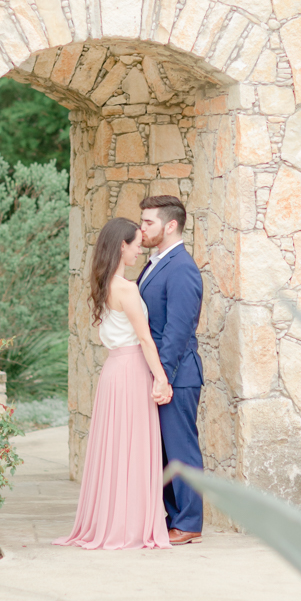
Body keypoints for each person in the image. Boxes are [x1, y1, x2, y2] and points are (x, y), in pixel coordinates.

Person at [54, 218, 171, 550]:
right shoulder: (127, 288)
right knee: (132, 447)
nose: (139, 249)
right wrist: (161, 379)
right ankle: (129, 525)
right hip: (132, 369)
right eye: (135, 244)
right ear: (122, 245)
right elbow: (146, 340)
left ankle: (112, 521)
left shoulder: (105, 284)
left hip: (113, 371)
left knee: (116, 448)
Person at [138, 195, 205, 545]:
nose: (142, 228)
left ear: (170, 225)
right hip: (162, 376)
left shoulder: (182, 267)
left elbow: (178, 331)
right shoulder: (156, 263)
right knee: (163, 451)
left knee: (181, 451)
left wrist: (162, 377)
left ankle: (190, 522)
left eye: (148, 222)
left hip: (177, 377)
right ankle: (172, 516)